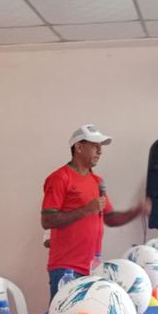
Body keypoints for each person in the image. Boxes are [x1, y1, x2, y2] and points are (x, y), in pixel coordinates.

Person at [41, 124, 148, 299]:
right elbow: (47, 220)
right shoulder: (60, 178)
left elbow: (110, 218)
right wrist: (86, 210)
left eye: (101, 147)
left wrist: (136, 211)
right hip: (66, 269)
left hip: (92, 268)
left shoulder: (97, 181)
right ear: (79, 147)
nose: (100, 151)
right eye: (95, 146)